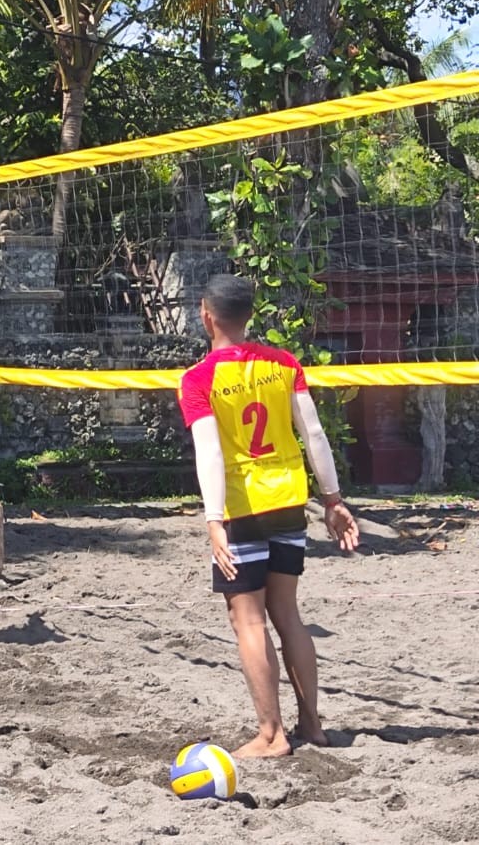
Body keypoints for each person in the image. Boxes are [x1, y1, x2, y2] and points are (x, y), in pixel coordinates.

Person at [178, 273, 359, 758]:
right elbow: (314, 434)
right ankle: (313, 726)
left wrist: (214, 519)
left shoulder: (198, 379)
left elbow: (210, 455)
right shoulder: (284, 363)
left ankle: (271, 735)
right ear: (251, 315)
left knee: (248, 621)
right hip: (289, 502)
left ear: (206, 314)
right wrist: (333, 499)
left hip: (242, 509)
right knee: (288, 614)